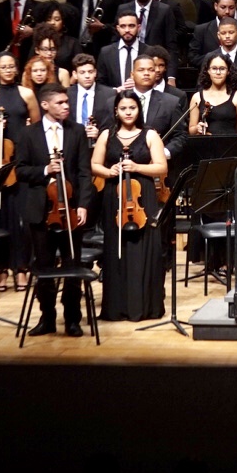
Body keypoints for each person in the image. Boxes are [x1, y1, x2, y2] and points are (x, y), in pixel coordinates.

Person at [17, 83, 94, 336]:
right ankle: (47, 317)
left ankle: (72, 318)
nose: (66, 106)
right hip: (41, 210)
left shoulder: (77, 131)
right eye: (60, 102)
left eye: (67, 102)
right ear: (45, 105)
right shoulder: (28, 134)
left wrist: (82, 205)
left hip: (71, 211)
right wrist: (45, 170)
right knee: (44, 266)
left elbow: (84, 172)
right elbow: (20, 170)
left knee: (72, 264)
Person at [91, 89, 168, 320]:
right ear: (116, 111)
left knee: (144, 249)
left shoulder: (150, 134)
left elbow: (161, 167)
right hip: (114, 196)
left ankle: (144, 307)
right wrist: (109, 171)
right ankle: (117, 307)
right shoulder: (106, 135)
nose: (128, 112)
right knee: (117, 249)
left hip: (143, 197)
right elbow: (94, 164)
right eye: (123, 108)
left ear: (138, 110)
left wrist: (136, 167)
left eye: (132, 108)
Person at [0, 52, 40, 290]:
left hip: (18, 157)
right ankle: (1, 269)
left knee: (20, 215)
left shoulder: (27, 94)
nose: (7, 70)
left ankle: (21, 267)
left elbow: (36, 127)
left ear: (16, 69)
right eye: (3, 67)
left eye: (11, 66)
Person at [189, 54, 237, 137]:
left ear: (228, 71)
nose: (218, 72)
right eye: (214, 68)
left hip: (230, 143)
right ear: (208, 71)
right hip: (205, 143)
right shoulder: (197, 97)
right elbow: (191, 130)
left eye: (222, 69)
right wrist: (197, 128)